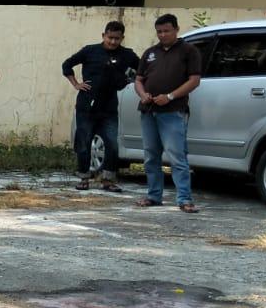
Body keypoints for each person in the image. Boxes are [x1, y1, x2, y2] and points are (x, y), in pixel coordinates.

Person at [134, 12, 204, 213]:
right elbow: (139, 79)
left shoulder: (188, 51)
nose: (163, 35)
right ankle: (153, 195)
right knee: (150, 156)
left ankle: (184, 199)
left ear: (176, 30)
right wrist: (143, 94)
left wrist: (170, 96)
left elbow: (194, 80)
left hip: (173, 110)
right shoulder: (150, 53)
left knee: (177, 156)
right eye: (159, 32)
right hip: (149, 110)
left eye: (166, 31)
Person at [62, 20, 139, 192]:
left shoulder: (127, 55)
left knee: (112, 144)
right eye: (110, 37)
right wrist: (76, 84)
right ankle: (83, 178)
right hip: (86, 106)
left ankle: (108, 180)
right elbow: (66, 65)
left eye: (117, 39)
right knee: (84, 142)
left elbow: (142, 70)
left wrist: (129, 79)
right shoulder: (90, 51)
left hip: (109, 107)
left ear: (122, 38)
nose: (113, 42)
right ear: (103, 35)